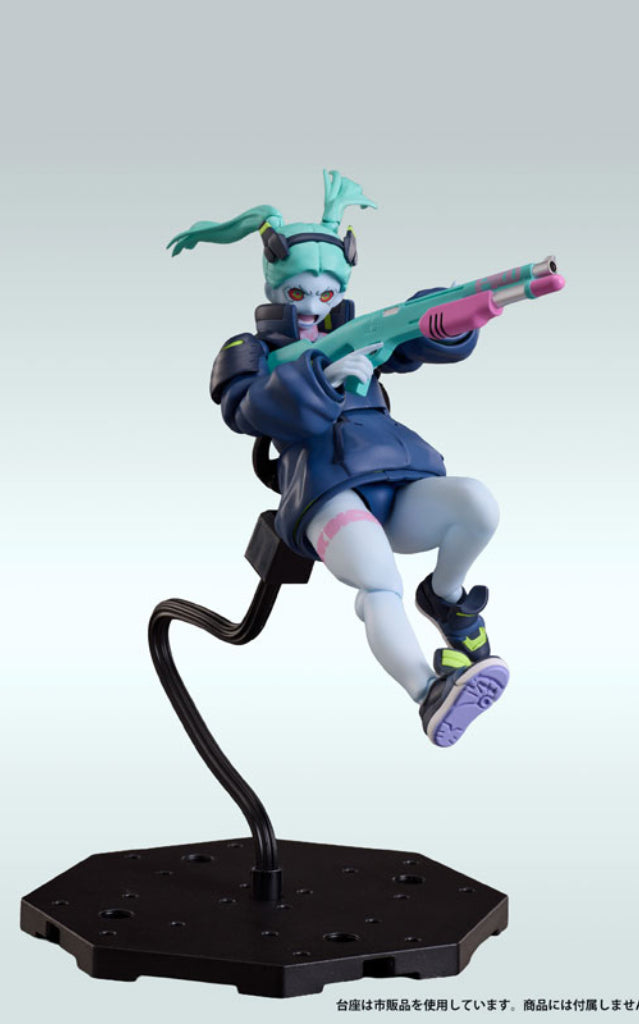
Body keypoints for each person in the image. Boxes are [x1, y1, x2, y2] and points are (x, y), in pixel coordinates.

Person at [167, 171, 509, 747]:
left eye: (326, 295)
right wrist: (318, 379)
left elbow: (416, 338)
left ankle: (447, 599)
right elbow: (242, 407)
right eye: (297, 293)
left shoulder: (358, 332)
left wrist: (451, 316)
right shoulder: (248, 348)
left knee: (476, 504)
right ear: (275, 286)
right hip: (325, 489)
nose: (312, 306)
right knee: (379, 582)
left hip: (396, 476)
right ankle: (429, 692)